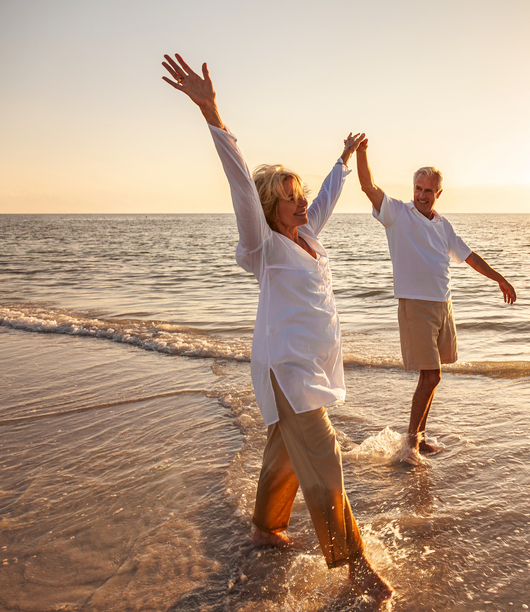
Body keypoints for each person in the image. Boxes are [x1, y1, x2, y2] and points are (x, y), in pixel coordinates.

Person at [161, 54, 392, 604]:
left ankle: (265, 526)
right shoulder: (262, 247)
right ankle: (354, 565)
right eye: (288, 197)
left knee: (285, 454)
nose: (300, 201)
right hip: (286, 368)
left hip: (309, 364)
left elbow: (330, 196)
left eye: (299, 193)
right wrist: (213, 113)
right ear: (270, 206)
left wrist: (342, 160)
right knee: (322, 454)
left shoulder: (308, 237)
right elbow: (242, 185)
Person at [355, 137, 516, 462]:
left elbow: (469, 257)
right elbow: (368, 186)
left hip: (443, 305)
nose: (422, 195)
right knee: (431, 375)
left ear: (438, 193)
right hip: (415, 304)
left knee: (433, 374)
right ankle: (411, 444)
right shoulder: (398, 214)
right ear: (412, 189)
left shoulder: (443, 225)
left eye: (429, 190)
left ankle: (419, 437)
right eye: (418, 188)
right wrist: (362, 153)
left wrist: (499, 278)